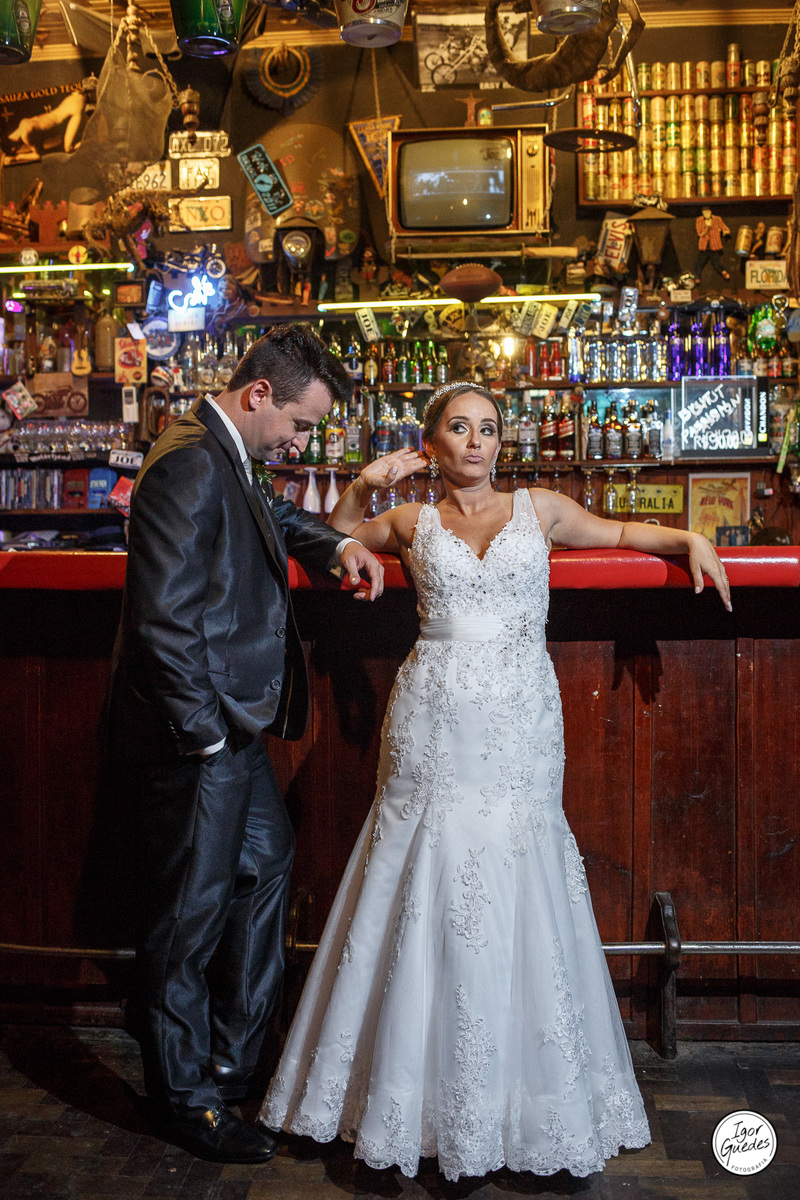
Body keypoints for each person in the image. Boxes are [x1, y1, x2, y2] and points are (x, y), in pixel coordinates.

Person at [259, 381, 731, 1181]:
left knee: (520, 862)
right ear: (431, 444)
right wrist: (365, 485)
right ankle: (407, 1093)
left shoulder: (540, 509)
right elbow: (329, 543)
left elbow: (620, 530)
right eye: (459, 427)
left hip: (518, 715)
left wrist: (689, 538)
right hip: (433, 713)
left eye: (488, 429)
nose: (476, 441)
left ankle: (523, 1096)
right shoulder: (409, 519)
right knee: (420, 866)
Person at [109, 324, 384, 1165]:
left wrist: (339, 542)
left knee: (265, 863)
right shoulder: (189, 460)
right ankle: (185, 1101)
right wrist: (201, 738)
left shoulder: (225, 450)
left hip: (231, 727)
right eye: (299, 424)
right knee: (186, 921)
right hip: (200, 733)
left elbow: (272, 516)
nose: (301, 442)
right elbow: (161, 623)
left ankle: (233, 1058)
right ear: (259, 394)